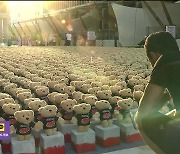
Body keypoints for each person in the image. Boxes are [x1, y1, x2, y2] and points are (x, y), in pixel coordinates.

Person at [135, 31, 180, 154]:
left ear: (153, 55)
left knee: (140, 119)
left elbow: (145, 109)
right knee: (174, 114)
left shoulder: (165, 60)